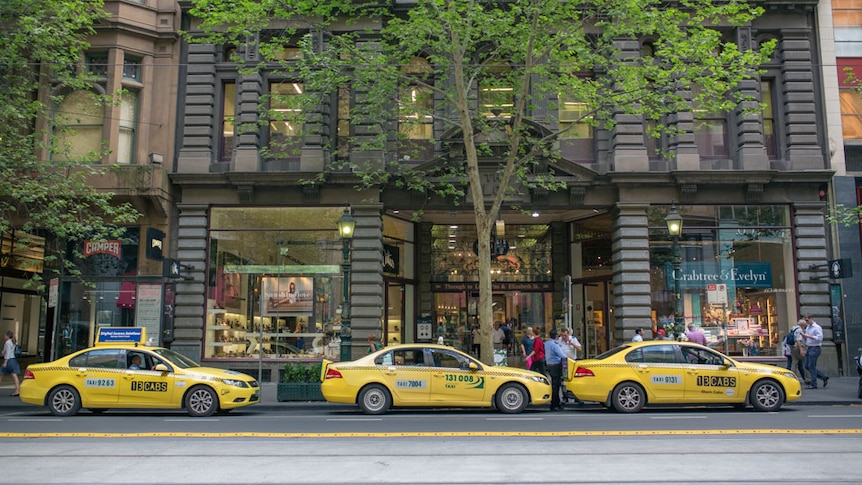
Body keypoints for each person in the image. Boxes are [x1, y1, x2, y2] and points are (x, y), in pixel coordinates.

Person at [800, 314, 828, 389]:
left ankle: (813, 383)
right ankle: (823, 376)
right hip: (809, 347)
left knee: (811, 366)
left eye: (807, 320)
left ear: (811, 319)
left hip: (815, 348)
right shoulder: (808, 327)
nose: (806, 321)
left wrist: (808, 336)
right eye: (805, 320)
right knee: (806, 365)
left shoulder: (817, 327)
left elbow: (819, 338)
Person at [544, 328, 568, 411]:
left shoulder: (546, 343)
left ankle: (555, 402)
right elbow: (562, 355)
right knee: (556, 385)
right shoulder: (554, 344)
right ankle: (554, 404)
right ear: (556, 336)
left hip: (549, 364)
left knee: (554, 384)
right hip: (555, 365)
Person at [1, 330, 21, 396]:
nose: (4, 336)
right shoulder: (13, 342)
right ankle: (17, 390)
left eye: (5, 335)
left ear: (7, 336)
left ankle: (17, 390)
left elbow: (8, 353)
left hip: (9, 360)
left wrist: (5, 362)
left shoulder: (7, 343)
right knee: (14, 375)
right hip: (13, 360)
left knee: (1, 374)